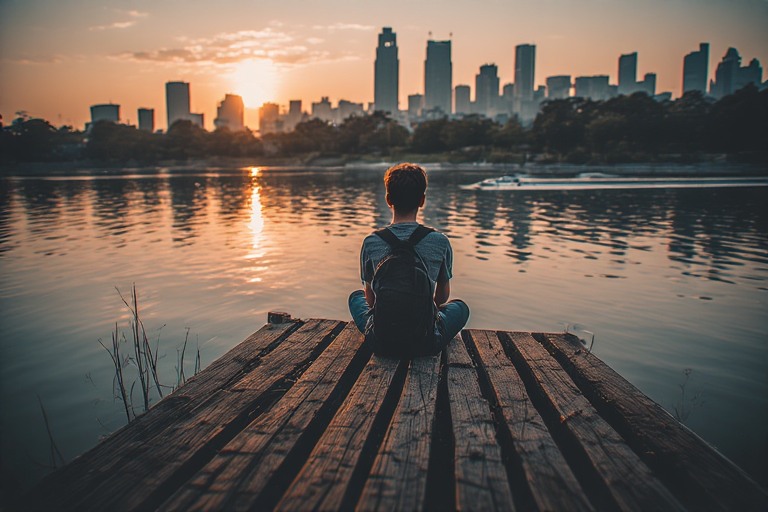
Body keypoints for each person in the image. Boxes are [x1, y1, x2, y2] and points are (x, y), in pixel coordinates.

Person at [348, 162, 469, 356]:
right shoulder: (440, 241)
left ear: (388, 199)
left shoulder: (371, 242)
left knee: (356, 297)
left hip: (382, 342)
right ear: (422, 200)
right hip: (426, 342)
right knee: (460, 307)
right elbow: (442, 297)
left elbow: (370, 301)